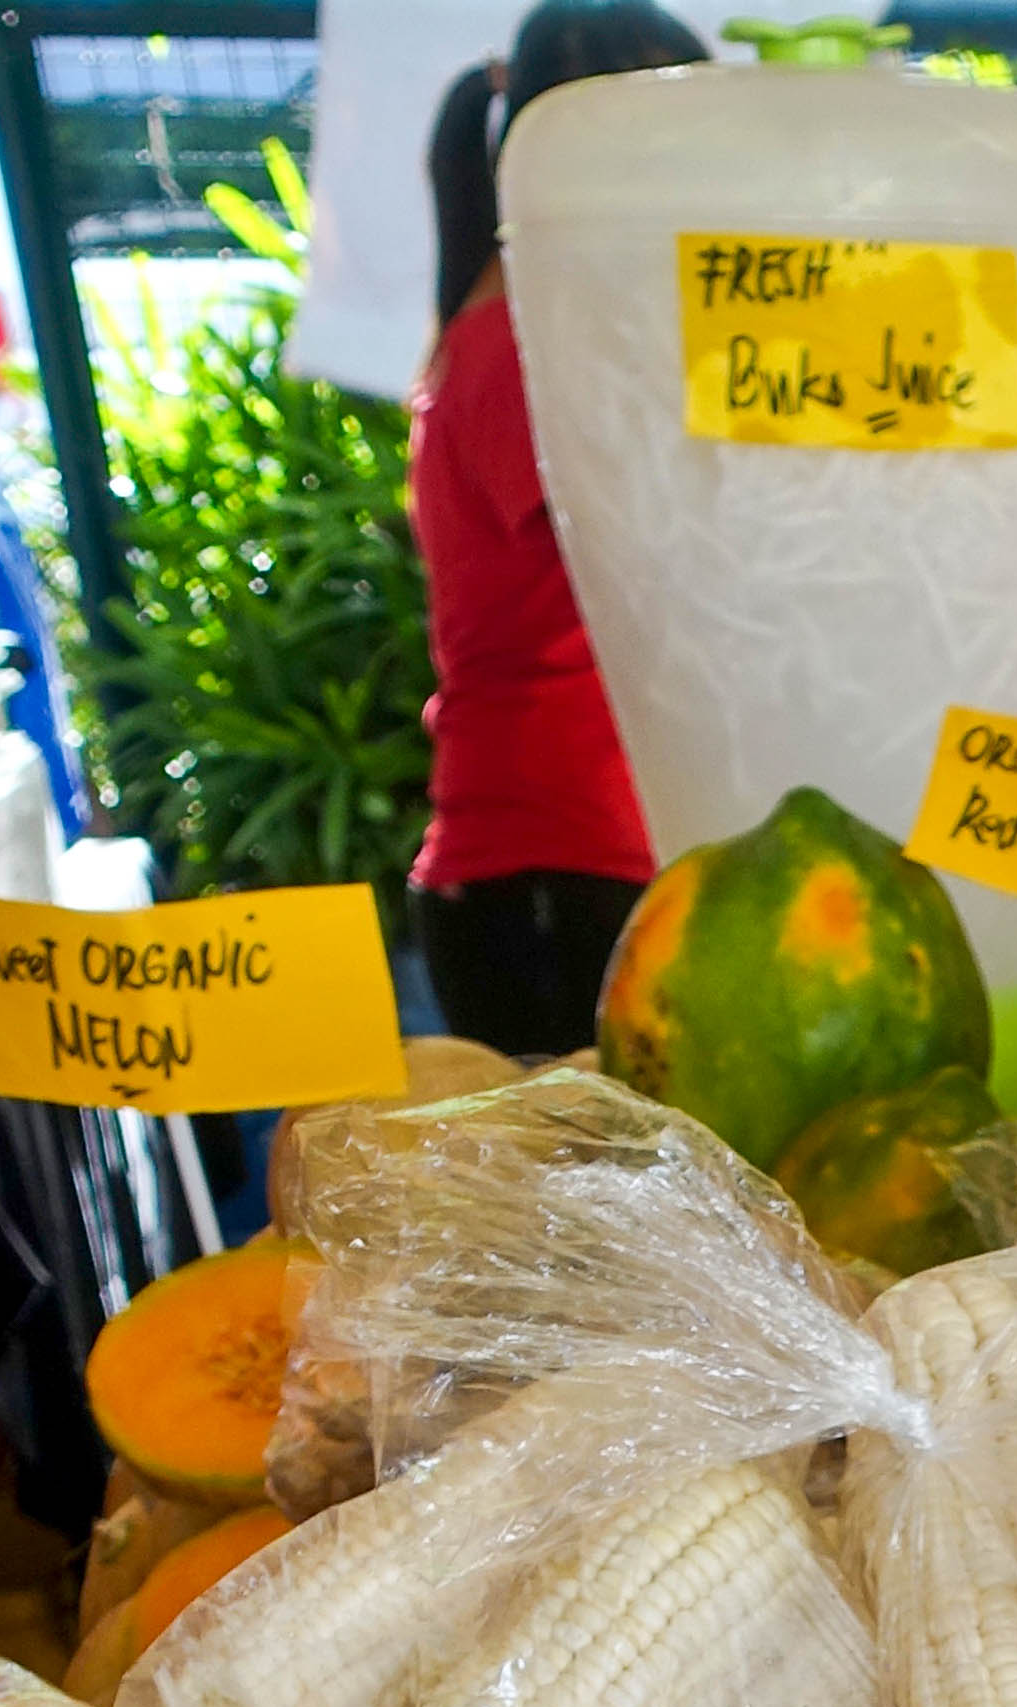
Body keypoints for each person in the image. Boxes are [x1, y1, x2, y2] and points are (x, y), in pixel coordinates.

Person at [408, 4, 703, 1054]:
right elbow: (672, 553)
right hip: (554, 874)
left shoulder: (537, 330)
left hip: (578, 859)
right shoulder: (524, 348)